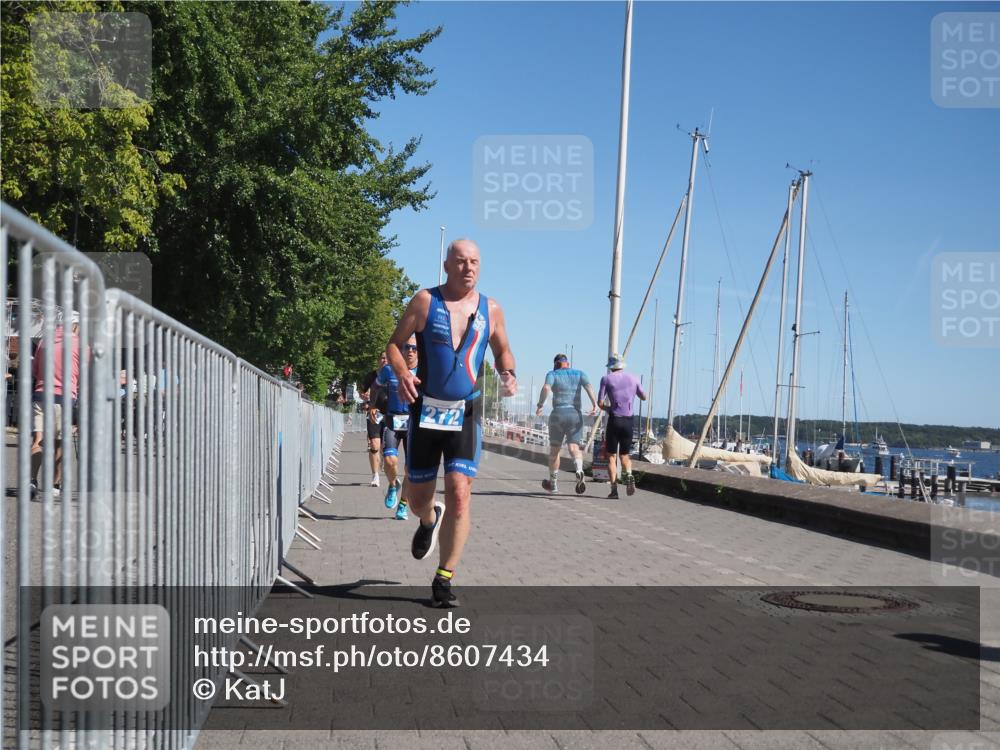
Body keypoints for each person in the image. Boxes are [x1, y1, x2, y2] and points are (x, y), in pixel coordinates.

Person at [387, 238, 516, 608]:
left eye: (474, 261)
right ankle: (428, 521)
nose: (468, 268)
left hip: (466, 412)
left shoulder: (492, 309)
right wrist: (401, 373)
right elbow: (394, 344)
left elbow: (503, 348)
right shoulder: (425, 301)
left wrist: (508, 372)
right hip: (426, 409)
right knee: (416, 499)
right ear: (447, 265)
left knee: (460, 492)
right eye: (460, 262)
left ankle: (444, 578)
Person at [30, 318, 81, 498]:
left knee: (38, 439)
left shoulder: (44, 341)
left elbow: (35, 370)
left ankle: (32, 480)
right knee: (58, 443)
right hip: (63, 397)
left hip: (40, 394)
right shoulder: (79, 344)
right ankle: (54, 484)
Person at [536, 353, 598, 494]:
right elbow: (588, 387)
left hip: (558, 414)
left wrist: (540, 404)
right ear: (567, 364)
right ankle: (579, 470)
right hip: (575, 414)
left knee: (555, 451)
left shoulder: (552, 374)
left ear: (555, 364)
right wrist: (594, 404)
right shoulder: (579, 373)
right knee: (574, 447)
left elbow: (546, 388)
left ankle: (554, 484)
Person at [375, 335, 419, 520]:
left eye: (414, 348)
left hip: (413, 425)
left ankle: (403, 505)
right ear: (400, 350)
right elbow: (375, 386)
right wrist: (372, 405)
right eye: (406, 347)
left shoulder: (425, 372)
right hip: (392, 421)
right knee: (390, 461)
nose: (410, 351)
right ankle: (393, 485)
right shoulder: (388, 370)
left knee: (410, 470)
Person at [597, 353, 646, 499]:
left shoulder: (606, 379)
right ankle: (629, 475)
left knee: (611, 457)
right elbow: (644, 396)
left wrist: (609, 408)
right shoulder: (634, 378)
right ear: (622, 365)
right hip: (628, 421)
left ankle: (614, 490)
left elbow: (600, 403)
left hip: (615, 419)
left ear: (611, 366)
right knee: (624, 455)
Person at [359, 353, 388, 487]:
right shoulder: (371, 376)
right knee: (375, 445)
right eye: (382, 358)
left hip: (390, 414)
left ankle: (382, 459)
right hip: (374, 413)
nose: (385, 360)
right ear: (378, 360)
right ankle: (375, 476)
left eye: (387, 358)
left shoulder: (394, 374)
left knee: (386, 447)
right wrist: (364, 396)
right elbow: (362, 391)